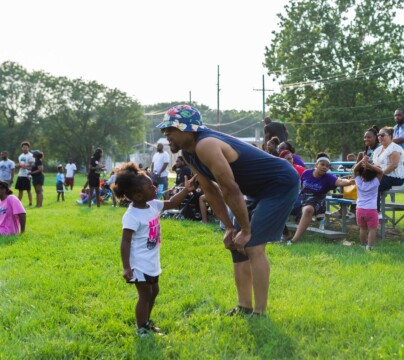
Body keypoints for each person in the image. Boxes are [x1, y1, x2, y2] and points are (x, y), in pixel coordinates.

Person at [158, 104, 299, 316]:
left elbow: (230, 188)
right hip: (253, 189)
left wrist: (246, 229)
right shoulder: (189, 153)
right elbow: (209, 189)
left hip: (280, 183)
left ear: (187, 128)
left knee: (252, 245)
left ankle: (259, 313)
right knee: (235, 244)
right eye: (165, 131)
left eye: (170, 130)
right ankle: (244, 307)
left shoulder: (206, 145)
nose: (166, 135)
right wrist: (229, 227)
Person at [113, 162, 196, 337]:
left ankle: (146, 322)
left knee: (154, 291)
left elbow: (172, 202)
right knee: (145, 295)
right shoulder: (132, 216)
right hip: (139, 263)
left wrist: (186, 189)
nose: (154, 187)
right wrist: (126, 266)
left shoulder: (153, 205)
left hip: (151, 259)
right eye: (150, 186)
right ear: (138, 195)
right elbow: (125, 242)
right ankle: (141, 328)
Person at [288, 153, 354, 244]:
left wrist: (350, 181)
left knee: (308, 209)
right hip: (302, 198)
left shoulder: (329, 178)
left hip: (317, 202)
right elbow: (301, 188)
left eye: (327, 166)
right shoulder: (306, 173)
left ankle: (293, 240)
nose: (324, 167)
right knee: (282, 204)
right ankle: (282, 234)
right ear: (316, 164)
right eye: (322, 164)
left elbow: (340, 181)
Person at [372, 127, 404, 212]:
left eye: (382, 135)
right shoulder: (378, 150)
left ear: (390, 136)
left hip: (395, 177)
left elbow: (393, 165)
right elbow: (375, 164)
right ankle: (363, 210)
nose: (379, 137)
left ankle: (375, 213)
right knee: (365, 182)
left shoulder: (395, 148)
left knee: (375, 185)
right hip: (383, 176)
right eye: (378, 135)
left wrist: (380, 173)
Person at [352, 156, 383, 250]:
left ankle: (362, 245)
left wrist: (362, 161)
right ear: (374, 175)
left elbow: (354, 169)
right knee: (372, 229)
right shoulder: (375, 182)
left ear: (362, 175)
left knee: (363, 228)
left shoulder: (359, 182)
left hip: (360, 209)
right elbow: (381, 172)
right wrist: (369, 164)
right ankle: (369, 246)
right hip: (372, 210)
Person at [15, 142, 34, 206]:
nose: (25, 148)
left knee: (28, 190)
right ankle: (18, 203)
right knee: (20, 190)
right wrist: (17, 165)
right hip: (20, 174)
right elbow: (20, 164)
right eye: (24, 147)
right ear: (22, 148)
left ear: (28, 148)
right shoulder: (20, 156)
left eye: (26, 147)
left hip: (27, 175)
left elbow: (31, 166)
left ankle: (30, 202)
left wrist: (24, 166)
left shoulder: (31, 155)